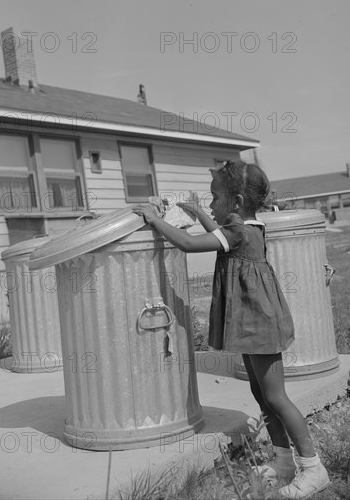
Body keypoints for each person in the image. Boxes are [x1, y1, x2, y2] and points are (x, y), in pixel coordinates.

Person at [133, 160, 330, 499]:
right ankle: (283, 461)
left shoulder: (240, 231)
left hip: (262, 324)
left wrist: (155, 220)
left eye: (214, 199)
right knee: (260, 392)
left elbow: (191, 244)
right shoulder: (245, 224)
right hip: (254, 322)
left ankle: (313, 468)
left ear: (236, 201)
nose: (211, 205)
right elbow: (218, 234)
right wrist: (199, 213)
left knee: (276, 397)